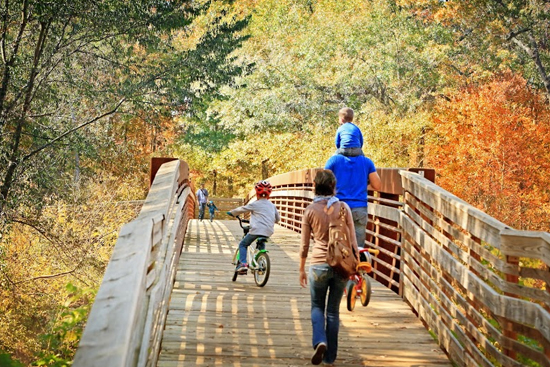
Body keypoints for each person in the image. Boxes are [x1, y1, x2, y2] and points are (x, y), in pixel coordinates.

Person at [299, 170, 359, 366]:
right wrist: (356, 262)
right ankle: (330, 358)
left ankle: (320, 340)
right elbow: (352, 240)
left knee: (317, 306)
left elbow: (305, 245)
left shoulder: (310, 210)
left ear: (315, 186)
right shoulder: (343, 207)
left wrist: (301, 269)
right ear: (333, 187)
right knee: (333, 312)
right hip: (340, 264)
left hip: (318, 264)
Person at [325, 133, 381, 252]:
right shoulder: (367, 162)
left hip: (338, 207)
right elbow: (377, 185)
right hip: (359, 208)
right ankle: (355, 267)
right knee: (358, 246)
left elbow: (323, 183)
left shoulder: (334, 160)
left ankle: (338, 267)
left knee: (337, 243)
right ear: (360, 143)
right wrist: (362, 183)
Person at [227, 180, 280, 273]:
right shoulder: (272, 205)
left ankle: (243, 264)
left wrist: (232, 213)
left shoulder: (255, 204)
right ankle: (260, 259)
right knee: (261, 239)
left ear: (257, 193)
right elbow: (278, 219)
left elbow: (242, 209)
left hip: (256, 229)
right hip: (269, 230)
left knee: (243, 244)